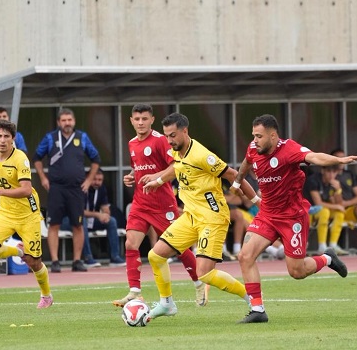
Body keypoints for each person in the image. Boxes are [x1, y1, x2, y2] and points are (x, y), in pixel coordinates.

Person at [233, 114, 357, 323]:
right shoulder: (254, 148)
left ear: (273, 135)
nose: (255, 140)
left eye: (259, 136)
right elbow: (246, 163)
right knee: (245, 256)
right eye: (253, 136)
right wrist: (238, 180)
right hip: (267, 214)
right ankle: (257, 310)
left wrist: (338, 160)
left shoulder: (289, 149)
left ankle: (327, 258)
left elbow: (315, 157)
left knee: (297, 271)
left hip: (291, 217)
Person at [141, 112, 260, 322]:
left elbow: (233, 174)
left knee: (204, 273)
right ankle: (166, 304)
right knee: (155, 255)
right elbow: (177, 168)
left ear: (185, 131)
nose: (169, 140)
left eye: (173, 135)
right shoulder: (178, 150)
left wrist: (258, 202)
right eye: (167, 136)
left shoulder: (202, 156)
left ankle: (252, 299)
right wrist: (158, 181)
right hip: (191, 216)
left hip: (212, 217)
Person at [113, 104, 208, 307]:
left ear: (152, 120)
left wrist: (156, 177)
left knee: (179, 247)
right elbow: (138, 169)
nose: (140, 122)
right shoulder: (131, 143)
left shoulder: (160, 141)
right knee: (130, 243)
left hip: (162, 204)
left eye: (144, 119)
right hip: (140, 202)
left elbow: (175, 165)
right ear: (131, 121)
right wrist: (130, 177)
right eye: (137, 119)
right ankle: (135, 292)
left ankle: (199, 283)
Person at [0, 120, 53, 309]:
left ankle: (46, 295)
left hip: (28, 214)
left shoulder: (20, 159)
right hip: (6, 212)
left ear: (13, 139)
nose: (2, 140)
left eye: (6, 136)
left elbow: (26, 189)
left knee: (34, 262)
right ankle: (18, 251)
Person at [33, 107, 101, 273]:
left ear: (74, 121)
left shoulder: (82, 137)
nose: (67, 123)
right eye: (63, 120)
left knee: (78, 225)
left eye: (69, 120)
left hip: (76, 189)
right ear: (58, 122)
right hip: (56, 188)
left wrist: (89, 180)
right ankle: (55, 261)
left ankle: (77, 260)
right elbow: (36, 158)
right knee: (54, 224)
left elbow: (96, 159)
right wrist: (43, 178)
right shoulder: (50, 138)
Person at [0, 107, 28, 219]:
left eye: (4, 116)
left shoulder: (18, 136)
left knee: (17, 213)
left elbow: (23, 154)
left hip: (14, 179)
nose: (2, 140)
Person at [82, 169, 126, 266]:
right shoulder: (81, 188)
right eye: (94, 179)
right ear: (88, 178)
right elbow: (78, 212)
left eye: (100, 180)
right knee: (82, 221)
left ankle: (115, 257)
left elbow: (105, 207)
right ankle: (88, 257)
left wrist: (106, 214)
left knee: (112, 221)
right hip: (71, 221)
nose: (97, 182)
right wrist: (98, 215)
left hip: (92, 220)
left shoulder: (101, 189)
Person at [304, 165, 348, 255]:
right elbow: (318, 203)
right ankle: (322, 246)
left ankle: (333, 245)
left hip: (320, 211)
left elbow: (339, 204)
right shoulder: (313, 180)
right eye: (329, 171)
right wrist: (337, 206)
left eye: (334, 172)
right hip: (306, 212)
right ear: (323, 171)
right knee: (325, 211)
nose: (331, 175)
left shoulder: (333, 183)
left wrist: (338, 190)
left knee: (339, 213)